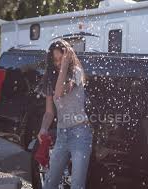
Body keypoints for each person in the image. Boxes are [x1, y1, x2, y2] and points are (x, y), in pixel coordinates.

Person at [35, 39, 93, 189]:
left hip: (80, 134)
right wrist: (43, 128)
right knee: (49, 183)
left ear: (68, 56)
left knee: (77, 185)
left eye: (62, 59)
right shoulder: (50, 79)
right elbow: (49, 112)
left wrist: (66, 65)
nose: (59, 63)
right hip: (62, 135)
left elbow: (59, 93)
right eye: (55, 60)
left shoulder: (77, 73)